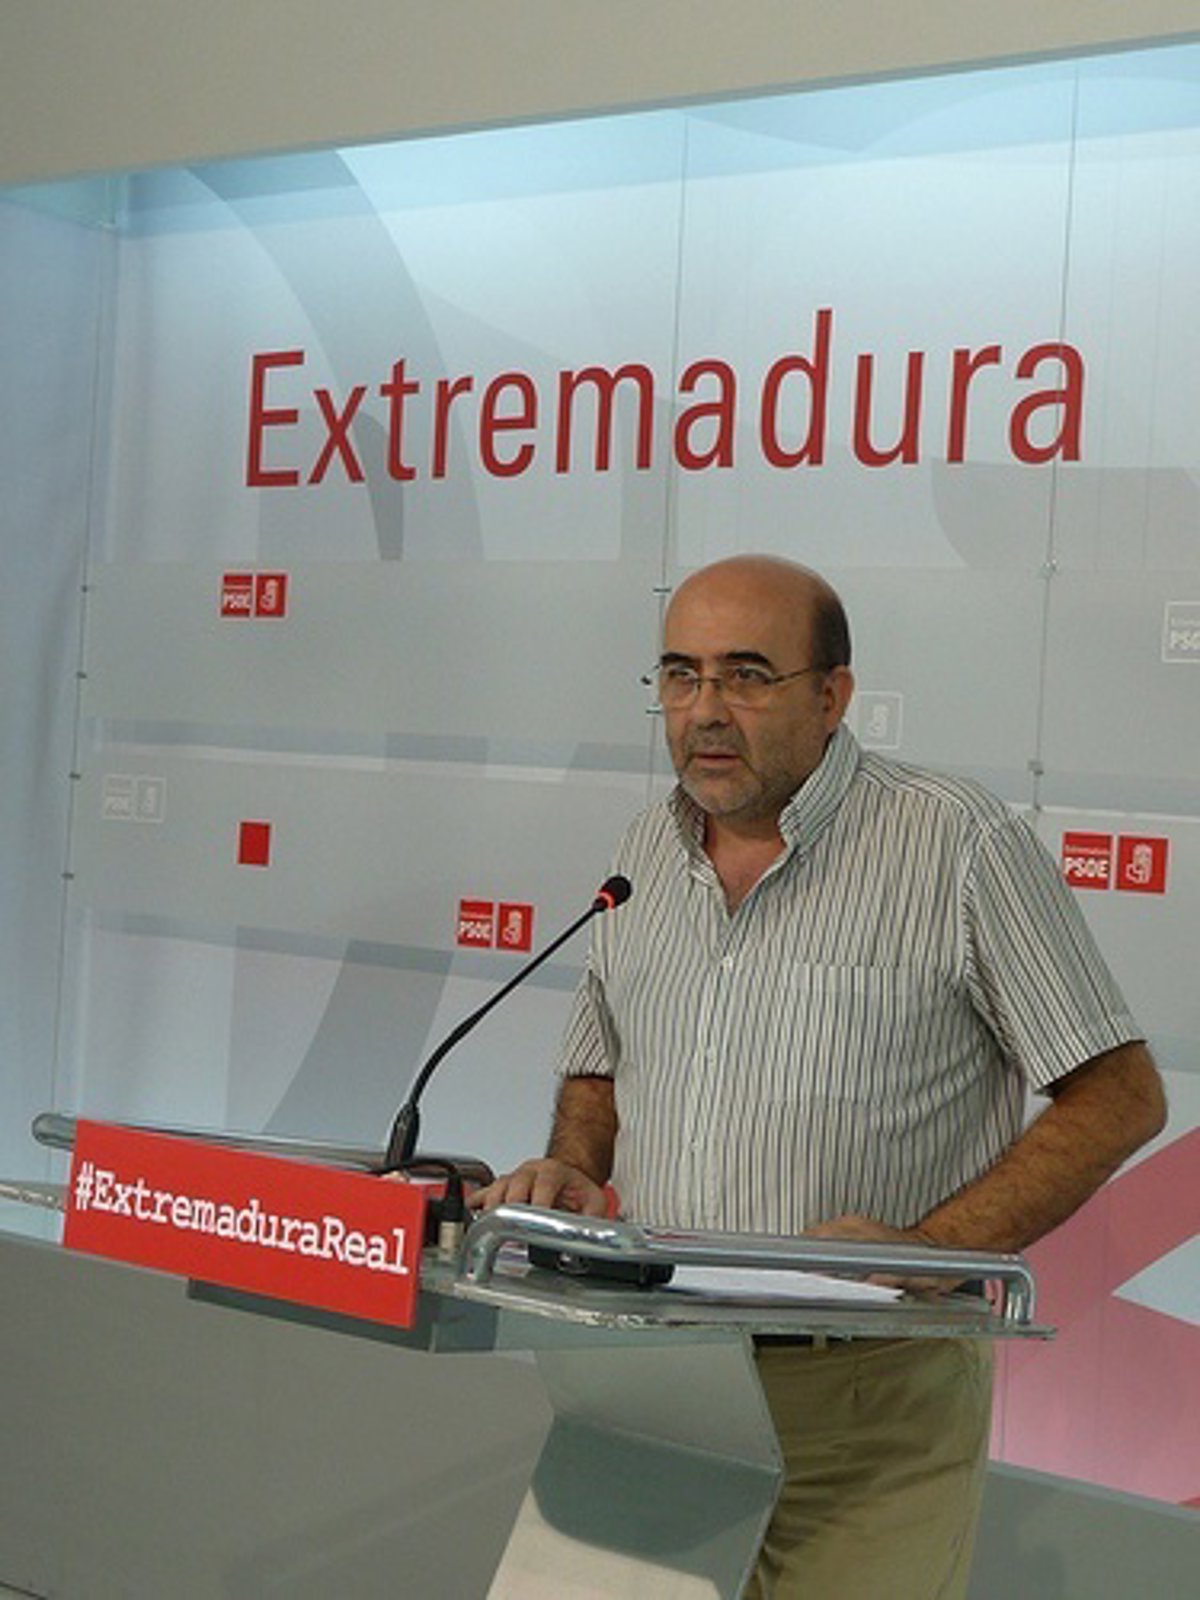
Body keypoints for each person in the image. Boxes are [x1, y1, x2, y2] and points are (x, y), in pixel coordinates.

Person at [470, 554, 1166, 1599]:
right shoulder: (643, 850)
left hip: (866, 1400)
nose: (706, 709)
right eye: (681, 674)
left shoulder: (956, 843)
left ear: (833, 696)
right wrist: (574, 1165)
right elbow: (601, 1063)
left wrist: (936, 1249)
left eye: (747, 675)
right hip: (651, 1383)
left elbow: (1120, 1095)